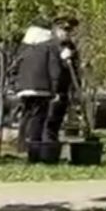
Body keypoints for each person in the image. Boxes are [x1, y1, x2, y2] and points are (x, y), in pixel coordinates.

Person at [11, 19, 67, 163]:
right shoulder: (49, 47)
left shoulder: (25, 49)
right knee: (38, 120)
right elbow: (54, 70)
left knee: (26, 117)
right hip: (42, 89)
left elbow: (15, 68)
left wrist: (16, 86)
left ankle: (23, 147)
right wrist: (55, 90)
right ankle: (35, 152)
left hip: (24, 89)